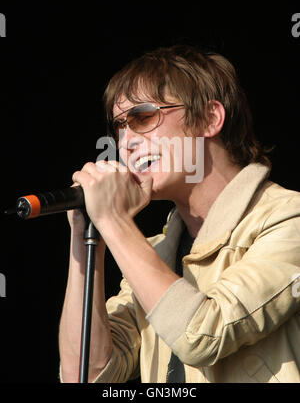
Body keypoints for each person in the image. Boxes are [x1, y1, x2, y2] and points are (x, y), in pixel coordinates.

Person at [59, 45, 300, 383]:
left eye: (143, 117)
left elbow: (204, 334)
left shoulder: (289, 218)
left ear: (210, 118)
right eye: (119, 126)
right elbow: (86, 374)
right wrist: (88, 240)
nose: (125, 141)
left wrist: (114, 221)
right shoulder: (158, 252)